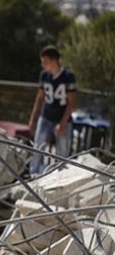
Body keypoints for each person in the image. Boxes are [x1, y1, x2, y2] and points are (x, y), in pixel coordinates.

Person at [28, 46, 77, 175]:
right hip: (46, 117)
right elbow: (40, 98)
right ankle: (33, 175)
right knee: (38, 147)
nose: (42, 65)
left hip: (63, 119)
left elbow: (71, 103)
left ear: (54, 61)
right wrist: (33, 119)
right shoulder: (44, 76)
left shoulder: (68, 77)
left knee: (62, 152)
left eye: (45, 61)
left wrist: (62, 123)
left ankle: (61, 179)